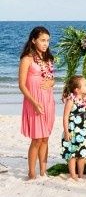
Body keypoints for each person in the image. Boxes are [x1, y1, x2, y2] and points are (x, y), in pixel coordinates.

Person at [19, 26, 56, 180]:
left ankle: (43, 171)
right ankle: (31, 172)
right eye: (42, 40)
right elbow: (21, 85)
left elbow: (51, 79)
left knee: (46, 137)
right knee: (37, 139)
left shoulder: (48, 59)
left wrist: (52, 83)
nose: (45, 43)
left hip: (48, 101)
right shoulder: (27, 59)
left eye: (47, 40)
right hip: (33, 102)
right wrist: (34, 103)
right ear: (33, 40)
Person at [61, 75, 86, 180]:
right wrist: (66, 132)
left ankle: (80, 175)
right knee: (72, 154)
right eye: (85, 85)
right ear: (77, 90)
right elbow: (65, 116)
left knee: (82, 153)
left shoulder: (85, 98)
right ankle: (73, 175)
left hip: (83, 130)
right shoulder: (71, 99)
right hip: (72, 129)